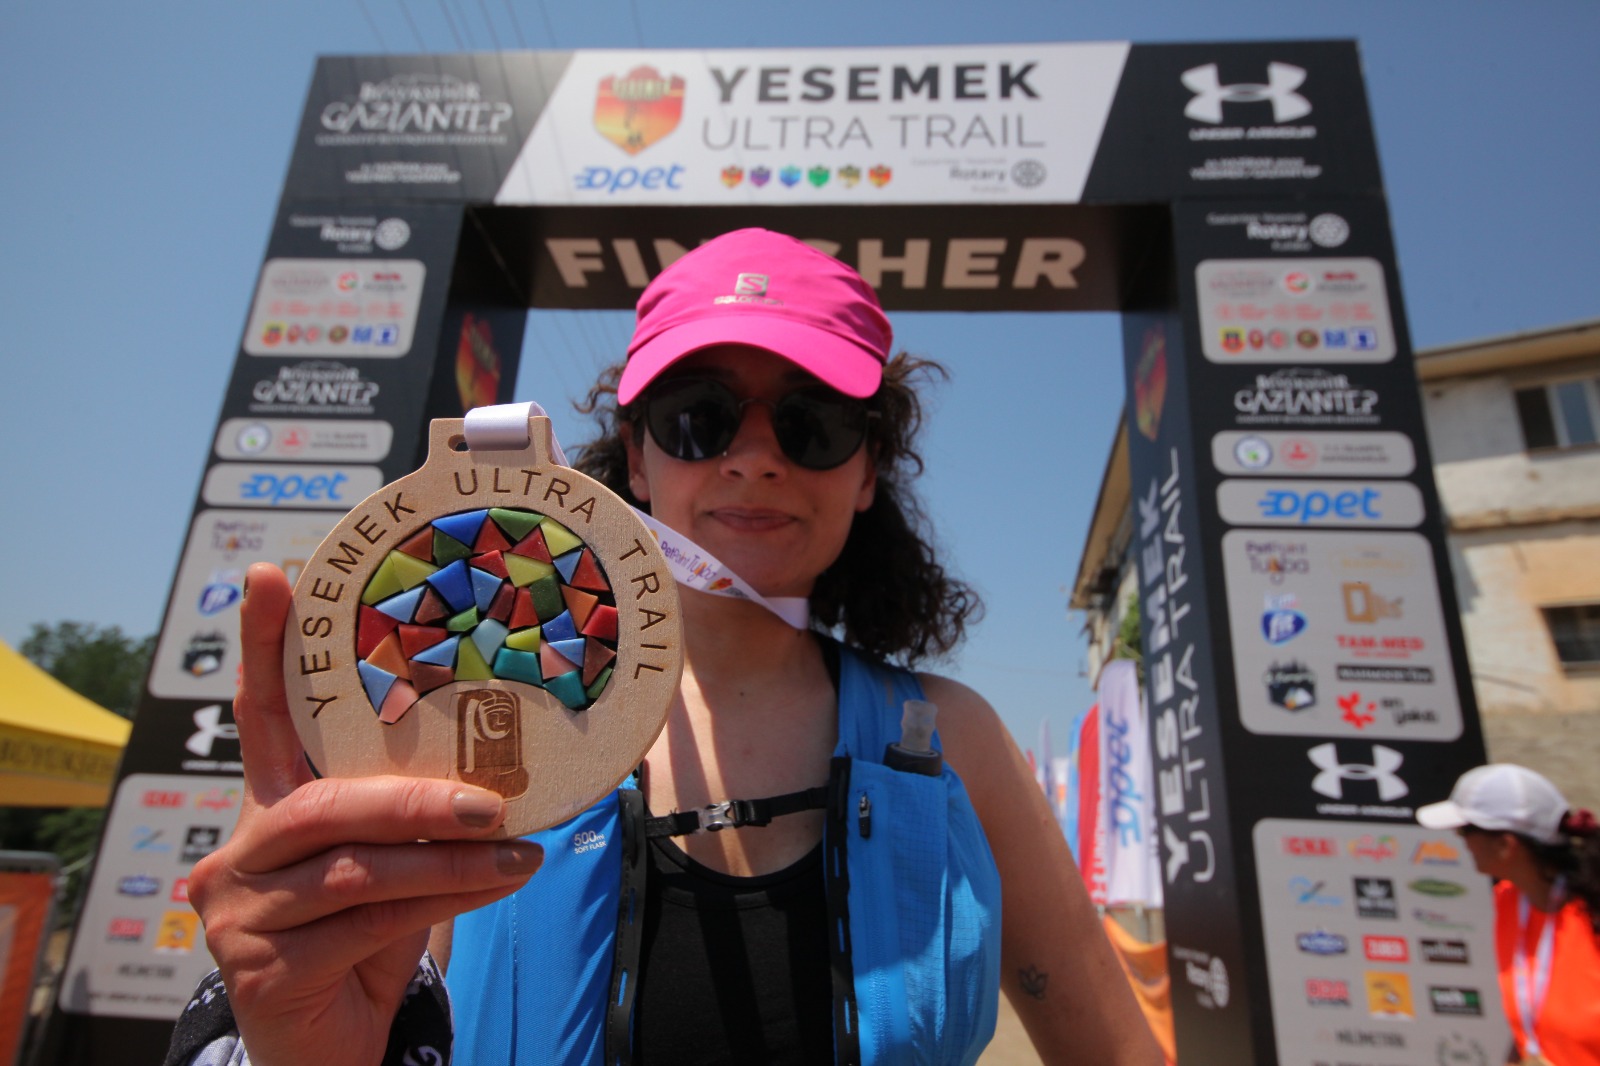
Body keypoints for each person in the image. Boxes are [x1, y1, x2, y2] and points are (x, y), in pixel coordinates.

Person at [168, 228, 1161, 1065]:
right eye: (700, 418)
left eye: (813, 423)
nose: (755, 458)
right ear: (637, 457)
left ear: (868, 472)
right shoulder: (457, 724)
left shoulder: (952, 742)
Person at [1417, 763, 1600, 1066]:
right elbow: (1533, 1021)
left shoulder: (1591, 918)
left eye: (1465, 830)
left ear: (1506, 845)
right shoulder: (1508, 901)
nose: (1460, 840)